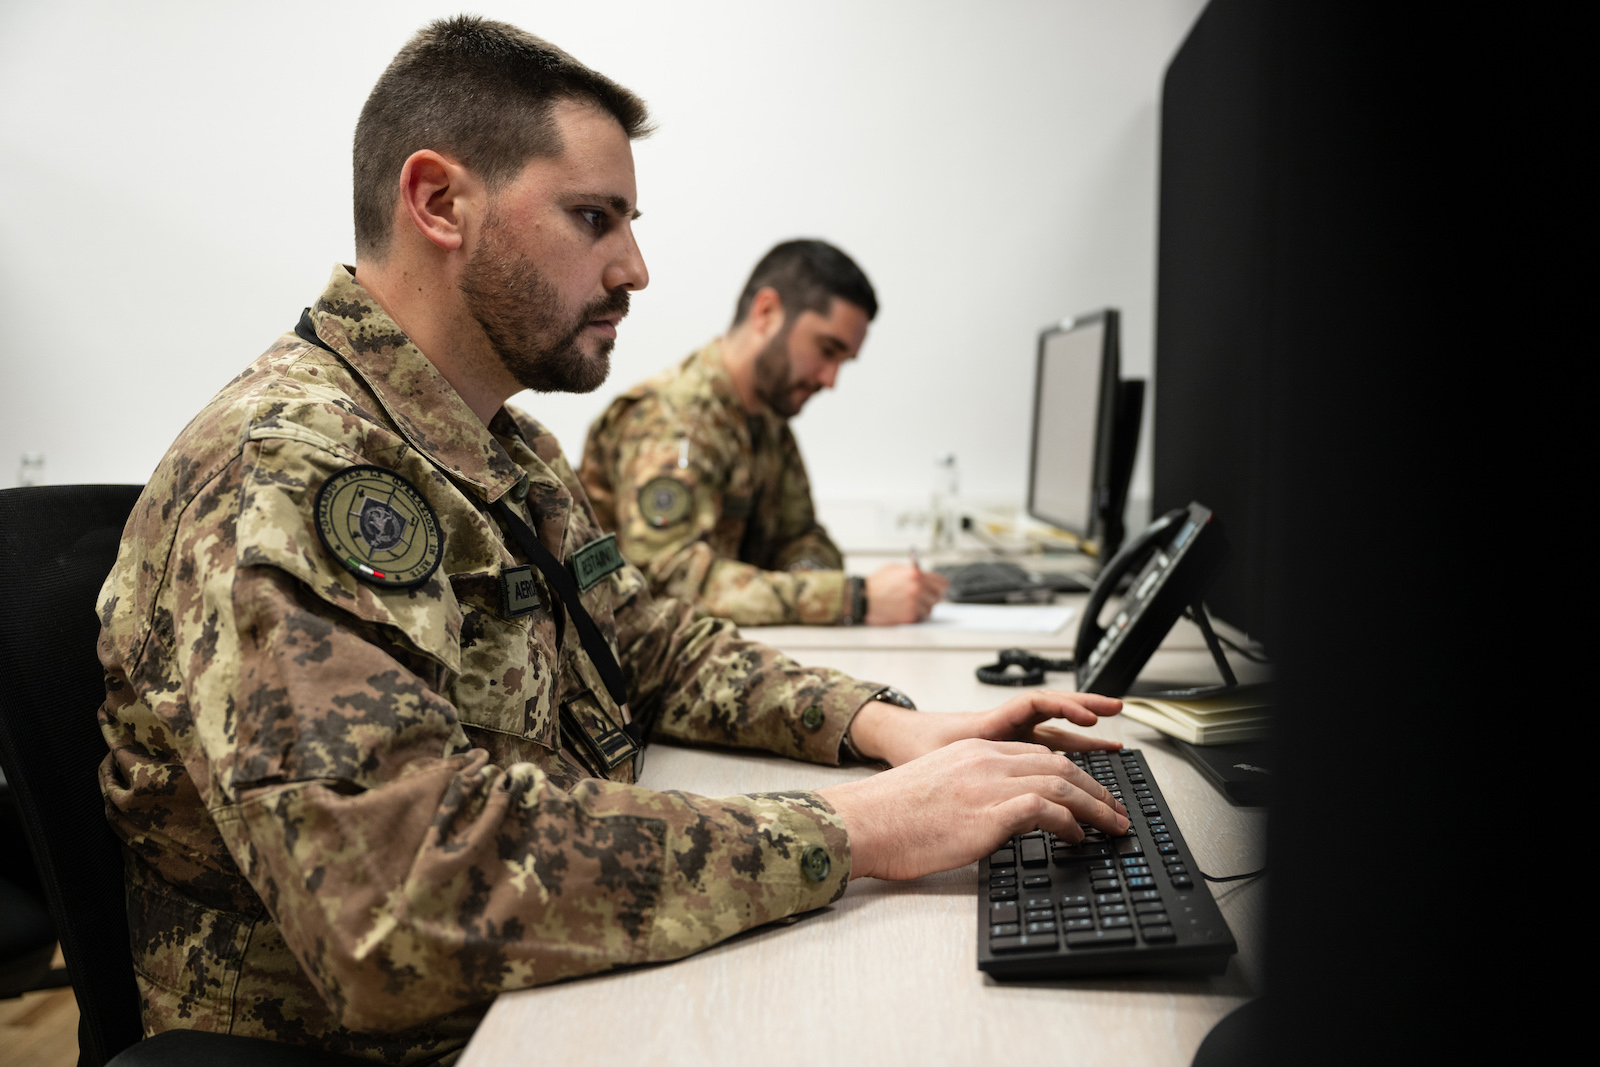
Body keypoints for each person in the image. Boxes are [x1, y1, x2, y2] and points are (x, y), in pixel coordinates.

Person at [95, 17, 1128, 1063]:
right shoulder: (289, 468)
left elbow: (649, 643)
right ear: (439, 202)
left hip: (533, 980)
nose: (635, 267)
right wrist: (854, 828)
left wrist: (883, 726)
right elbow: (398, 895)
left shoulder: (506, 446)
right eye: (593, 218)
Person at [580, 240, 950, 626]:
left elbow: (801, 535)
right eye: (826, 350)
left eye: (843, 361)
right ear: (767, 312)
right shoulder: (672, 422)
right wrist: (851, 598)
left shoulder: (765, 417)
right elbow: (667, 581)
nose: (831, 379)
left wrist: (805, 573)